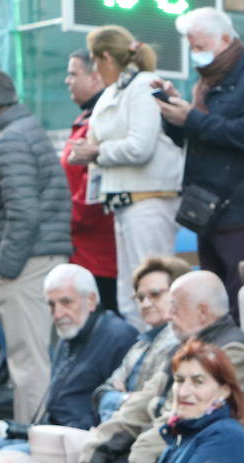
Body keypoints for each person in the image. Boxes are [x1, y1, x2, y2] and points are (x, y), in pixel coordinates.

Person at [155, 8, 244, 315]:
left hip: (243, 209)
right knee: (212, 300)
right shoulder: (206, 83)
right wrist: (174, 114)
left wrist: (193, 119)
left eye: (199, 46)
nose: (195, 54)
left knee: (239, 300)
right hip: (207, 209)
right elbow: (195, 135)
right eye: (191, 47)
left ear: (226, 39)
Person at [79, 269, 244, 463]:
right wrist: (95, 453)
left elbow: (189, 419)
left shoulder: (235, 351)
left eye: (174, 307)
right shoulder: (186, 347)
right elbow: (140, 405)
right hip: (168, 450)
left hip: (203, 459)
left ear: (202, 312)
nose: (167, 316)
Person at [76, 26, 184, 326]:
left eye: (96, 62)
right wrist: (85, 151)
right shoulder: (114, 91)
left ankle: (162, 361)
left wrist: (96, 152)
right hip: (121, 202)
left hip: (150, 201)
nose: (95, 70)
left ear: (106, 57)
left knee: (154, 292)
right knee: (129, 297)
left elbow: (141, 147)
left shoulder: (148, 85)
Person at [0, 69, 72, 424]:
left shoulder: (10, 141)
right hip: (43, 256)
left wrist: (5, 267)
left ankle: (32, 452)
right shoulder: (26, 132)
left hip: (28, 263)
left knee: (29, 366)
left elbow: (24, 213)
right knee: (40, 361)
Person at [39, 263, 138, 430]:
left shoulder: (119, 336)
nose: (57, 314)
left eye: (66, 302)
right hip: (54, 433)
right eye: (51, 305)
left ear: (91, 300)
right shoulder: (69, 334)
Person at [93, 256, 186, 422]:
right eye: (140, 298)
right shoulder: (139, 346)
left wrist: (120, 399)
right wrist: (125, 399)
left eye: (155, 294)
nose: (146, 304)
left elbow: (153, 403)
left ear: (178, 294)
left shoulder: (183, 343)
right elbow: (101, 393)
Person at [60, 48, 116, 315]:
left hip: (99, 257)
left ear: (96, 77)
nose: (67, 80)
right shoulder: (85, 120)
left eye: (73, 73)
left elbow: (89, 199)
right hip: (82, 252)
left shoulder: (102, 123)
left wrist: (57, 219)